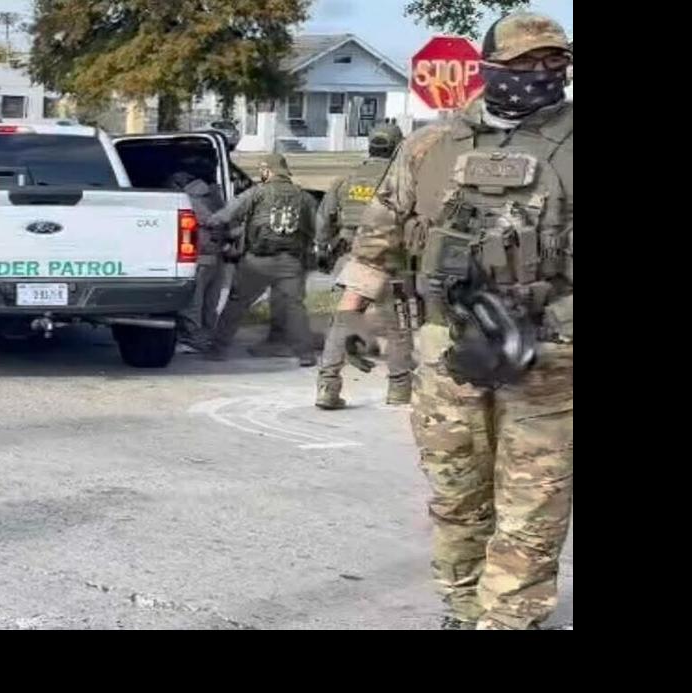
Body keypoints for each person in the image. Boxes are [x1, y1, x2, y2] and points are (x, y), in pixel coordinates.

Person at [335, 12, 572, 629]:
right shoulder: (431, 146)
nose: (541, 75)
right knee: (456, 492)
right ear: (488, 66)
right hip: (447, 349)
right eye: (523, 64)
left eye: (553, 63)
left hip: (549, 355)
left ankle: (509, 619)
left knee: (533, 504)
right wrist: (350, 320)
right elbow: (377, 236)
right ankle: (464, 608)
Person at [315, 123, 414, 409]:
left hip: (354, 259)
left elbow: (324, 221)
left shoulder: (347, 179)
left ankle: (328, 386)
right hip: (393, 260)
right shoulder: (404, 181)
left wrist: (324, 249)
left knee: (342, 323)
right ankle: (398, 388)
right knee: (398, 325)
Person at [206, 153, 318, 366]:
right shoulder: (304, 197)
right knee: (294, 308)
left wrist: (213, 225)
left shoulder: (256, 193)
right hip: (291, 263)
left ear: (267, 171)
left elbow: (223, 216)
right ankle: (306, 354)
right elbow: (317, 230)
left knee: (236, 305)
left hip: (256, 262)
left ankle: (217, 350)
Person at [171, 169, 231, 354]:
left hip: (199, 257)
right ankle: (207, 338)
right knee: (209, 303)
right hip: (217, 256)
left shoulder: (189, 200)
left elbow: (209, 223)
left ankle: (193, 340)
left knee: (193, 304)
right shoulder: (215, 196)